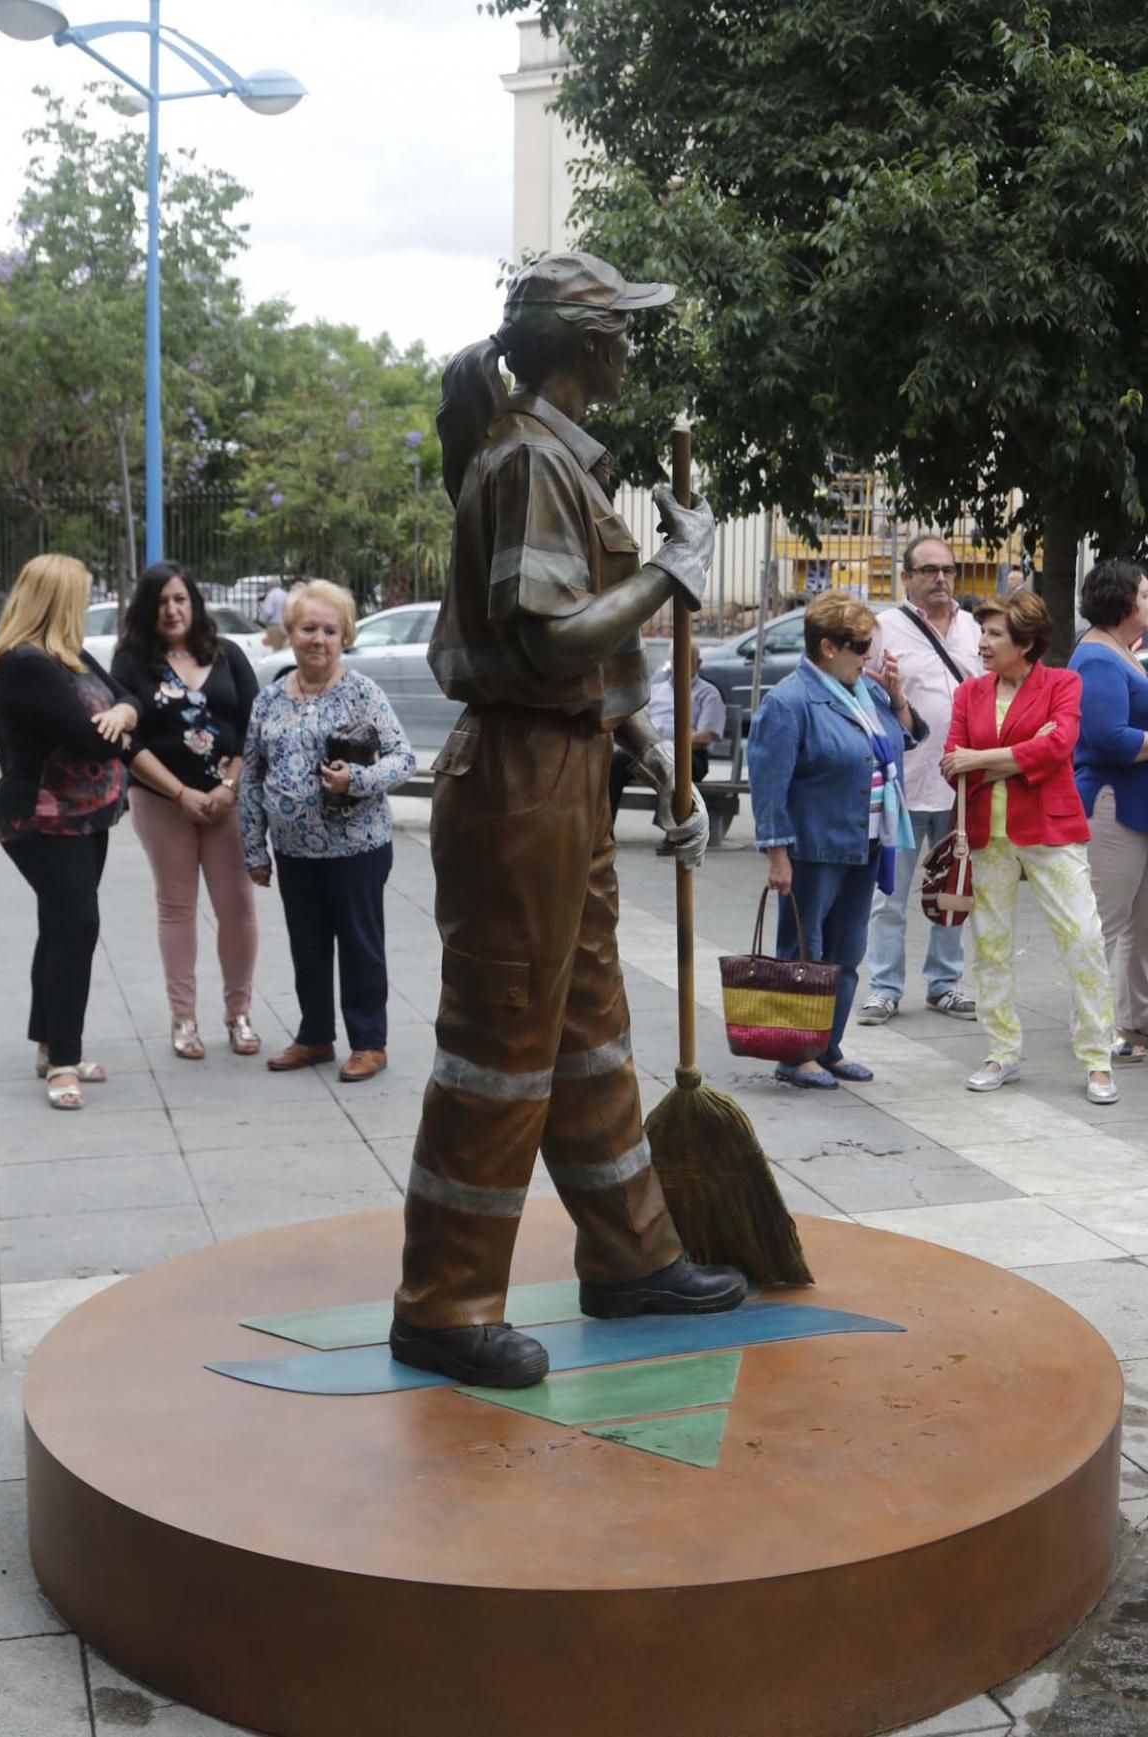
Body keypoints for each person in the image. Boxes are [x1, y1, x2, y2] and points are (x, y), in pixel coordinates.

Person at [389, 250, 747, 1391]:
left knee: (589, 1035)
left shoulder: (555, 459)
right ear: (581, 344)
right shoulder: (532, 458)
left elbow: (579, 668)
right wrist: (673, 577)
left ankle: (632, 1255)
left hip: (567, 769)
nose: (632, 349)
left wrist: (648, 761)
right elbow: (547, 639)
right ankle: (443, 1305)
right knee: (502, 1048)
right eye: (622, 330)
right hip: (520, 782)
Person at [941, 592, 1116, 1103]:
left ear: (1027, 642)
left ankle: (1096, 1057)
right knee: (991, 947)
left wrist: (981, 758)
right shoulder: (969, 694)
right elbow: (952, 761)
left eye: (995, 634)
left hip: (1051, 828)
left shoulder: (1064, 683)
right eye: (984, 632)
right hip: (985, 834)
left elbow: (1058, 747)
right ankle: (1000, 1051)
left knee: (1083, 939)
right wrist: (1014, 756)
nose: (983, 643)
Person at [748, 590, 926, 1089]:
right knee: (804, 954)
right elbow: (769, 784)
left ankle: (827, 1046)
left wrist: (897, 700)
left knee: (847, 951)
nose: (869, 653)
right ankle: (795, 1053)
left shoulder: (863, 691)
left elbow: (901, 740)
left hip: (865, 841)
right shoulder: (790, 701)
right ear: (829, 646)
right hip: (815, 846)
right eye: (860, 644)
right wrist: (777, 854)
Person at [239, 580, 415, 1082]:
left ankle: (368, 1042)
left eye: (330, 630)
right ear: (290, 633)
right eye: (308, 628)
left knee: (360, 944)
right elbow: (251, 776)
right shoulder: (270, 698)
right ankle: (314, 1035)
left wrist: (356, 779)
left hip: (356, 847)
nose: (318, 639)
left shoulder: (362, 692)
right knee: (307, 946)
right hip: (294, 852)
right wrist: (254, 848)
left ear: (345, 637)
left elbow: (403, 759)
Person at [0, 555, 140, 1110]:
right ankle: (64, 1064)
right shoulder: (25, 664)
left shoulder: (69, 658)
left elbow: (129, 698)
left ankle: (50, 1046)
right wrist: (120, 727)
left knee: (59, 925)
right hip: (42, 818)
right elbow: (86, 738)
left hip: (85, 815)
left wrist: (123, 714)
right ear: (58, 598)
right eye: (82, 593)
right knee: (77, 926)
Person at [111, 561, 261, 1061]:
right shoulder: (132, 660)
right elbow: (127, 742)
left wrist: (228, 786)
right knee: (176, 907)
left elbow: (252, 727)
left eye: (180, 599)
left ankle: (239, 1014)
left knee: (236, 907)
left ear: (194, 603)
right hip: (162, 801)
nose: (172, 610)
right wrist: (180, 793)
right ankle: (184, 1019)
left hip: (228, 802)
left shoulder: (228, 654)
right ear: (146, 611)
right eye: (160, 602)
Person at [858, 535, 982, 1026]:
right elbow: (860, 700)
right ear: (906, 577)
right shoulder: (884, 630)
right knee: (889, 895)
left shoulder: (974, 629)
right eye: (928, 570)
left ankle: (944, 984)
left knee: (954, 891)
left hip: (961, 790)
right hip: (902, 787)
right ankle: (884, 988)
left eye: (948, 570)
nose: (940, 579)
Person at [1069, 559, 1148, 1061]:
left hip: (1135, 806)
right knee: (1105, 924)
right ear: (1122, 600)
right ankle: (1092, 1032)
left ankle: (1134, 1025)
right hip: (1111, 806)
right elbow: (1106, 739)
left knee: (1138, 924)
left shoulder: (1122, 650)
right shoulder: (1098, 657)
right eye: (1145, 593)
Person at [608, 646, 726, 839]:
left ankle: (674, 833)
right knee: (616, 762)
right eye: (675, 659)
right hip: (650, 752)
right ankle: (604, 831)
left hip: (689, 754)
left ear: (698, 663)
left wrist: (669, 747)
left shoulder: (709, 694)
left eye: (686, 659)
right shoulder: (654, 691)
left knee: (676, 765)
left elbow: (705, 737)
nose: (679, 664)